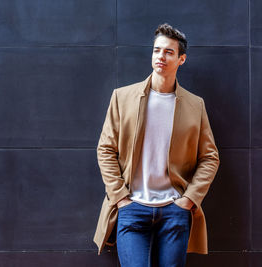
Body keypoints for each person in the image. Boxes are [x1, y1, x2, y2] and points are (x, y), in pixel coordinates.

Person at [93, 23, 220, 267]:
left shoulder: (195, 105)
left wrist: (189, 199)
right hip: (132, 207)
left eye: (169, 52)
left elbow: (210, 157)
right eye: (156, 50)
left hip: (175, 210)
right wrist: (120, 198)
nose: (160, 56)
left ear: (182, 59)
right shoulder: (123, 97)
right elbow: (106, 150)